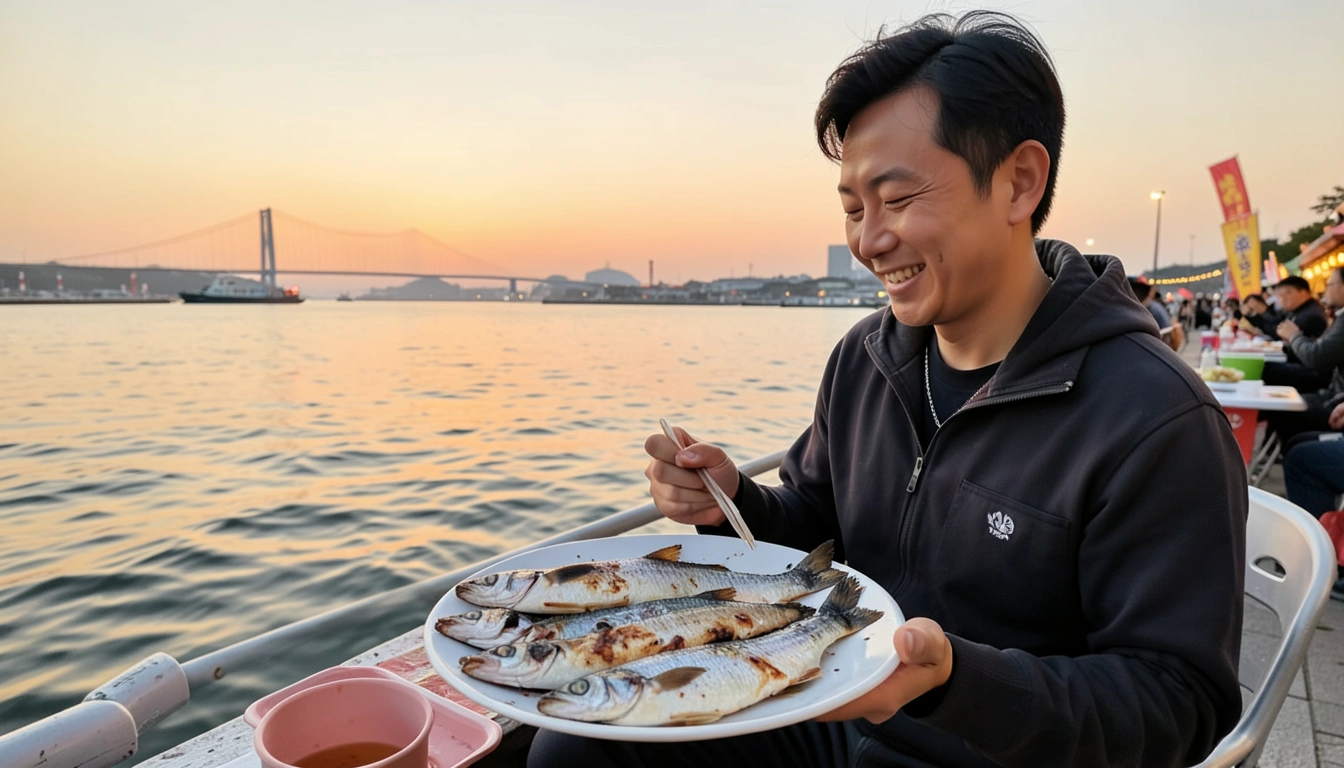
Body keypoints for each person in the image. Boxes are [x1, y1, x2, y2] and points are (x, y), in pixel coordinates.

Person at [529, 12, 1246, 768]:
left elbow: (1178, 702)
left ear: (1018, 181)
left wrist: (955, 682)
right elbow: (813, 526)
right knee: (573, 750)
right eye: (852, 208)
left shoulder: (1153, 417)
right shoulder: (865, 360)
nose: (869, 240)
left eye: (897, 199)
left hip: (994, 748)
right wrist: (733, 499)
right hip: (834, 706)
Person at [1266, 276, 1332, 390]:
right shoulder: (1299, 311)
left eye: (1288, 292)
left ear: (1304, 292)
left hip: (1313, 374)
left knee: (1264, 369)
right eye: (1280, 295)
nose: (1283, 298)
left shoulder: (1311, 316)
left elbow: (1305, 354)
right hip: (1304, 365)